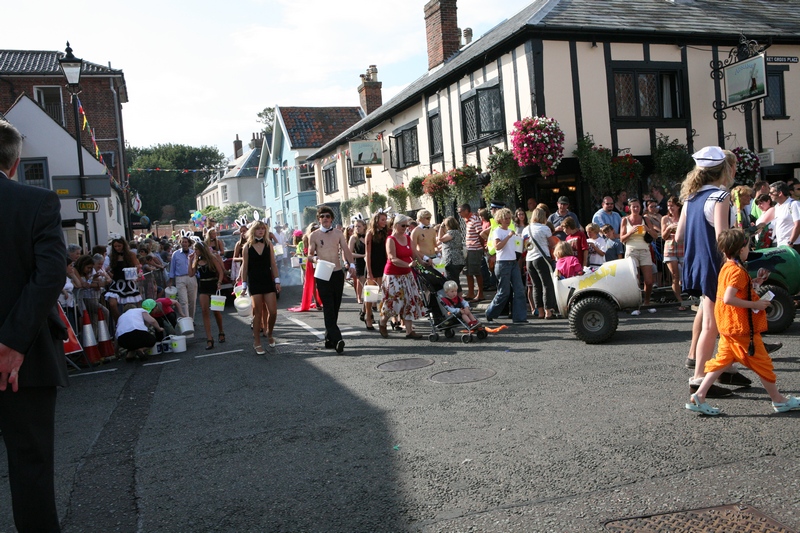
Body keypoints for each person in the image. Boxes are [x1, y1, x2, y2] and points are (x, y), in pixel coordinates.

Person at [0, 119, 68, 532]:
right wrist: (12, 341)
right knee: (31, 470)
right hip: (26, 362)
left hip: (21, 357)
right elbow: (48, 276)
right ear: (14, 163)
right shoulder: (36, 202)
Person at [686, 229, 800, 415]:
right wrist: (755, 303)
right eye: (747, 246)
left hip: (728, 326)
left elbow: (736, 291)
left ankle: (698, 396)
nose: (749, 249)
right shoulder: (737, 271)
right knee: (763, 363)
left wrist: (756, 283)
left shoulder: (727, 267)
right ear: (740, 249)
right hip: (741, 328)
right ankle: (779, 400)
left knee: (721, 361)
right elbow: (729, 298)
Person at [675, 146, 747, 397]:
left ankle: (723, 367)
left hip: (696, 263)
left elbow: (679, 235)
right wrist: (741, 242)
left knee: (713, 322)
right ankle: (699, 378)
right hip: (717, 265)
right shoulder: (720, 196)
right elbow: (722, 237)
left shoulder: (691, 198)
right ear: (723, 169)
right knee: (713, 325)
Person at [308, 206, 357, 353]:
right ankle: (337, 339)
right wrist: (315, 258)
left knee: (335, 306)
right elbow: (309, 255)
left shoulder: (338, 233)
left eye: (328, 216)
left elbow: (346, 250)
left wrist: (352, 264)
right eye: (322, 216)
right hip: (323, 273)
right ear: (319, 219)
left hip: (336, 272)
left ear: (331, 218)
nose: (325, 219)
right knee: (328, 306)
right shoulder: (314, 235)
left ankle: (329, 338)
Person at [378, 214, 426, 338]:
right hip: (393, 275)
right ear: (395, 225)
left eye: (407, 226)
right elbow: (392, 258)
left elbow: (414, 253)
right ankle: (383, 322)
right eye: (403, 225)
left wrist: (424, 262)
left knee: (410, 300)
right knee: (394, 302)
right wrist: (408, 264)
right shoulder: (391, 239)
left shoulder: (407, 238)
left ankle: (409, 331)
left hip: (407, 274)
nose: (405, 228)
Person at [238, 220, 280, 353]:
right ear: (253, 231)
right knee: (257, 312)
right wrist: (244, 284)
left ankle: (270, 333)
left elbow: (273, 264)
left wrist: (277, 281)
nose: (261, 231)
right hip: (254, 281)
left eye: (263, 228)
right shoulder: (247, 247)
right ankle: (256, 341)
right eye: (258, 229)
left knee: (273, 312)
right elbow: (245, 267)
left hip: (268, 280)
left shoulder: (268, 244)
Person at [485, 208, 528, 323]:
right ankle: (490, 312)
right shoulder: (497, 231)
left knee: (519, 290)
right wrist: (509, 236)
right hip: (503, 263)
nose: (508, 220)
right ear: (500, 219)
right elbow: (497, 246)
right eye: (506, 218)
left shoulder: (510, 230)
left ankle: (519, 318)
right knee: (504, 292)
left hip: (513, 262)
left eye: (509, 218)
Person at [620, 197, 658, 314]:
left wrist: (647, 229)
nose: (636, 209)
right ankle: (636, 305)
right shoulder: (625, 220)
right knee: (635, 280)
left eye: (638, 206)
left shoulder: (645, 219)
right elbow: (622, 239)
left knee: (649, 281)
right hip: (631, 250)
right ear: (629, 208)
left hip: (644, 250)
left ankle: (647, 302)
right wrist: (630, 232)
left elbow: (655, 236)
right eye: (633, 207)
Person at [191, 242, 227, 351]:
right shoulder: (196, 260)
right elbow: (191, 274)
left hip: (214, 285)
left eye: (196, 250)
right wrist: (190, 261)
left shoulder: (212, 258)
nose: (195, 252)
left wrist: (220, 282)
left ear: (201, 249)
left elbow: (221, 272)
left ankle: (221, 331)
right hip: (203, 286)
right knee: (204, 311)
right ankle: (209, 338)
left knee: (216, 311)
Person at [524, 207, 557, 319]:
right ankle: (548, 311)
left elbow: (525, 245)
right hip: (541, 258)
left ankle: (540, 311)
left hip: (529, 259)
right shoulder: (545, 228)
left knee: (536, 286)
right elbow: (552, 243)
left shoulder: (526, 229)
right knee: (547, 284)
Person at [104, 237, 142, 321]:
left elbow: (137, 266)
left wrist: (137, 272)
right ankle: (119, 321)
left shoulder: (130, 254)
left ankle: (131, 322)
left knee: (129, 306)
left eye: (119, 246)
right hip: (116, 282)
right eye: (115, 246)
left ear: (123, 245)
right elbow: (110, 268)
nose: (117, 248)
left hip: (128, 282)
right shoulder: (112, 256)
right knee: (112, 303)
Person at [365, 211, 389, 330]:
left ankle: (384, 317)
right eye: (382, 219)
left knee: (383, 293)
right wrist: (369, 272)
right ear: (376, 221)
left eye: (385, 219)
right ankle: (368, 316)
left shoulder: (385, 232)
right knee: (371, 295)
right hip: (372, 265)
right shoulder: (370, 233)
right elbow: (367, 254)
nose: (385, 221)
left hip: (383, 264)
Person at [661, 196, 686, 310]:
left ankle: (690, 295)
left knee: (687, 273)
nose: (670, 208)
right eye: (668, 206)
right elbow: (663, 236)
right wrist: (669, 228)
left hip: (682, 246)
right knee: (675, 276)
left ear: (678, 206)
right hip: (670, 248)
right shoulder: (665, 219)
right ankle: (680, 301)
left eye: (672, 206)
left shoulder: (683, 217)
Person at [458, 204, 485, 303]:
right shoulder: (468, 220)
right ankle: (471, 292)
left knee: (476, 271)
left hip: (475, 249)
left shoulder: (474, 219)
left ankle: (480, 294)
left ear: (466, 211)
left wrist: (482, 247)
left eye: (460, 211)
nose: (459, 214)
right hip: (469, 249)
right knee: (468, 272)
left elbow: (481, 234)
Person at [168, 236, 198, 321]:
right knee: (183, 301)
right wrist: (171, 280)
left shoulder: (193, 253)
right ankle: (186, 320)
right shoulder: (176, 254)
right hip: (180, 278)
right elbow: (172, 268)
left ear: (189, 243)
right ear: (180, 243)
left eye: (186, 242)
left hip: (191, 277)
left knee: (192, 301)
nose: (184, 243)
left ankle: (191, 319)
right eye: (183, 242)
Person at [764, 181, 800, 251]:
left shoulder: (794, 204)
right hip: (781, 245)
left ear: (780, 193)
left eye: (771, 193)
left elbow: (798, 225)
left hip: (794, 245)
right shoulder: (777, 206)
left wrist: (790, 242)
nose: (769, 195)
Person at [437, 216, 465, 293]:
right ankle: (459, 298)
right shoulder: (456, 232)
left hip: (452, 260)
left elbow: (440, 239)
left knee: (453, 281)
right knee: (455, 280)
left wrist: (441, 227)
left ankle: (458, 299)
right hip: (458, 260)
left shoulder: (452, 232)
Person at [349, 216, 368, 314]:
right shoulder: (353, 238)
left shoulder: (368, 236)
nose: (357, 228)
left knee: (371, 286)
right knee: (366, 286)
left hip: (369, 264)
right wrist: (362, 255)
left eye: (359, 226)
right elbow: (349, 253)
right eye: (355, 226)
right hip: (359, 264)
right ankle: (366, 309)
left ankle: (367, 307)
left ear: (364, 226)